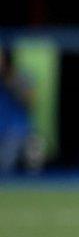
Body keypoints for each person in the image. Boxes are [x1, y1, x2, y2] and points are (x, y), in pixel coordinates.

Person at [0, 45, 33, 175]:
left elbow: (29, 101)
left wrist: (9, 80)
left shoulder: (18, 77)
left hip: (14, 133)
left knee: (6, 165)